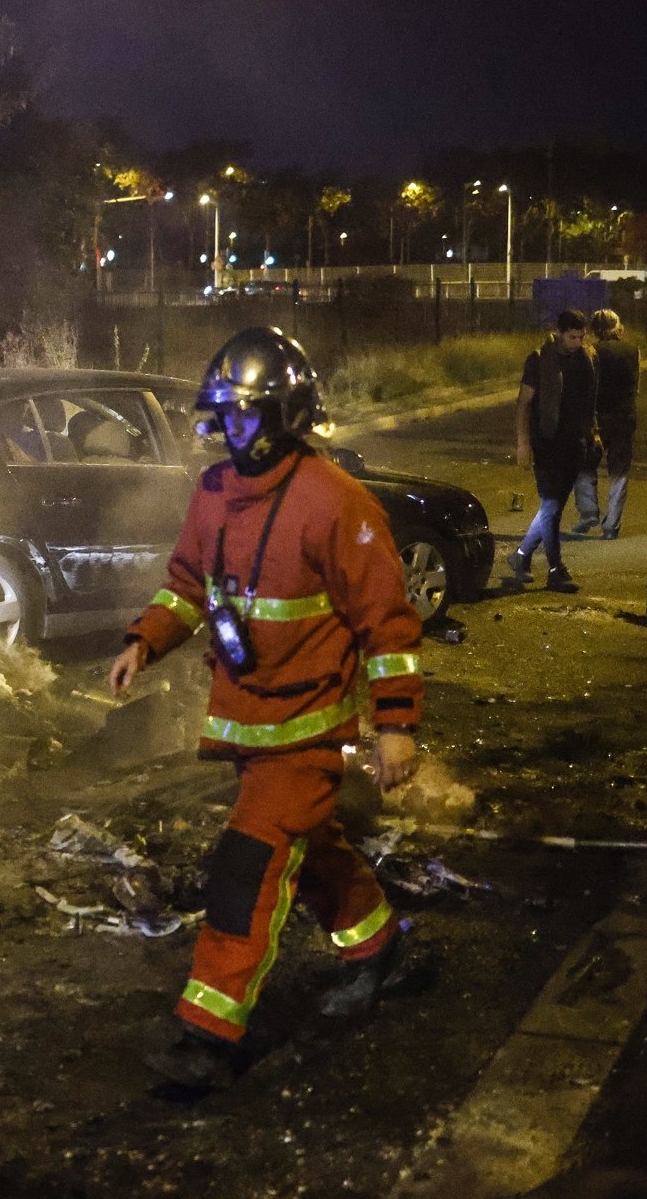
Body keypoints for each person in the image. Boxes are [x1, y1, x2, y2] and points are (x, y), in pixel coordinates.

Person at [108, 327, 427, 1091]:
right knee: (309, 850)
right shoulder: (213, 492)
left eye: (245, 413)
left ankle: (207, 1034)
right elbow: (187, 586)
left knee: (247, 864)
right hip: (248, 723)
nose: (229, 430)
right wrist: (143, 642)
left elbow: (386, 624)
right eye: (222, 415)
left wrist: (394, 728)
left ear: (286, 412)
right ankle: (377, 949)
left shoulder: (336, 503)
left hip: (308, 731)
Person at [505, 309, 598, 592]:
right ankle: (556, 569)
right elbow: (523, 404)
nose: (577, 343)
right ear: (559, 332)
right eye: (572, 337)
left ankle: (520, 557)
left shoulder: (586, 359)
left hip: (575, 444)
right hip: (546, 443)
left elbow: (587, 401)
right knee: (552, 506)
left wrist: (594, 433)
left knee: (551, 506)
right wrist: (523, 443)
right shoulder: (538, 360)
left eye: (581, 337)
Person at [571, 308, 639, 539]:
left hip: (597, 418)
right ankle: (611, 526)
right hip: (624, 417)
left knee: (583, 465)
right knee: (619, 472)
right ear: (617, 326)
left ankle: (589, 510)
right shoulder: (632, 350)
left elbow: (585, 388)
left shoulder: (590, 352)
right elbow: (635, 385)